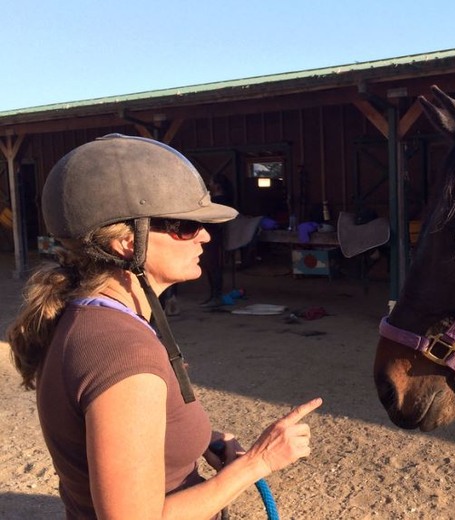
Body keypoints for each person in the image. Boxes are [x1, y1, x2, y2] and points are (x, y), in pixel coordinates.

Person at [7, 134, 322, 519]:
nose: (205, 235)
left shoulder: (89, 319)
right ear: (126, 241)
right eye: (184, 226)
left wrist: (201, 439)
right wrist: (258, 462)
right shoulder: (122, 352)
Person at [200, 173, 234, 308]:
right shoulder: (217, 200)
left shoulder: (219, 201)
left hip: (214, 236)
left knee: (214, 266)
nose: (210, 185)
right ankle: (214, 295)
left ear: (217, 186)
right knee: (211, 266)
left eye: (212, 183)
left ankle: (216, 295)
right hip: (212, 235)